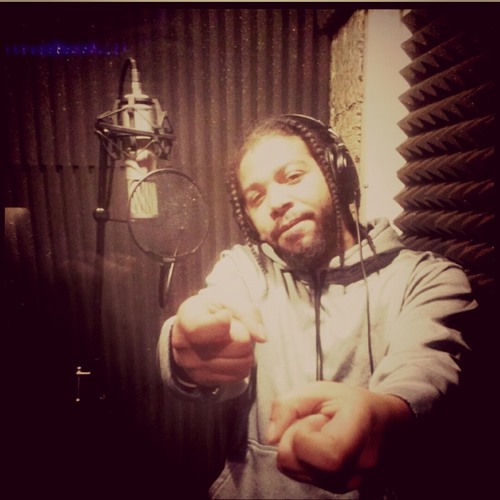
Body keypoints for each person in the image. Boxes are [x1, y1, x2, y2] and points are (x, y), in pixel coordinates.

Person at [157, 114, 476, 499]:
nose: (276, 202)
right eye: (256, 198)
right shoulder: (245, 268)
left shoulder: (429, 279)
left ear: (337, 173)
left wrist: (384, 415)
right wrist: (183, 345)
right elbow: (216, 302)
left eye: (293, 176)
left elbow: (424, 369)